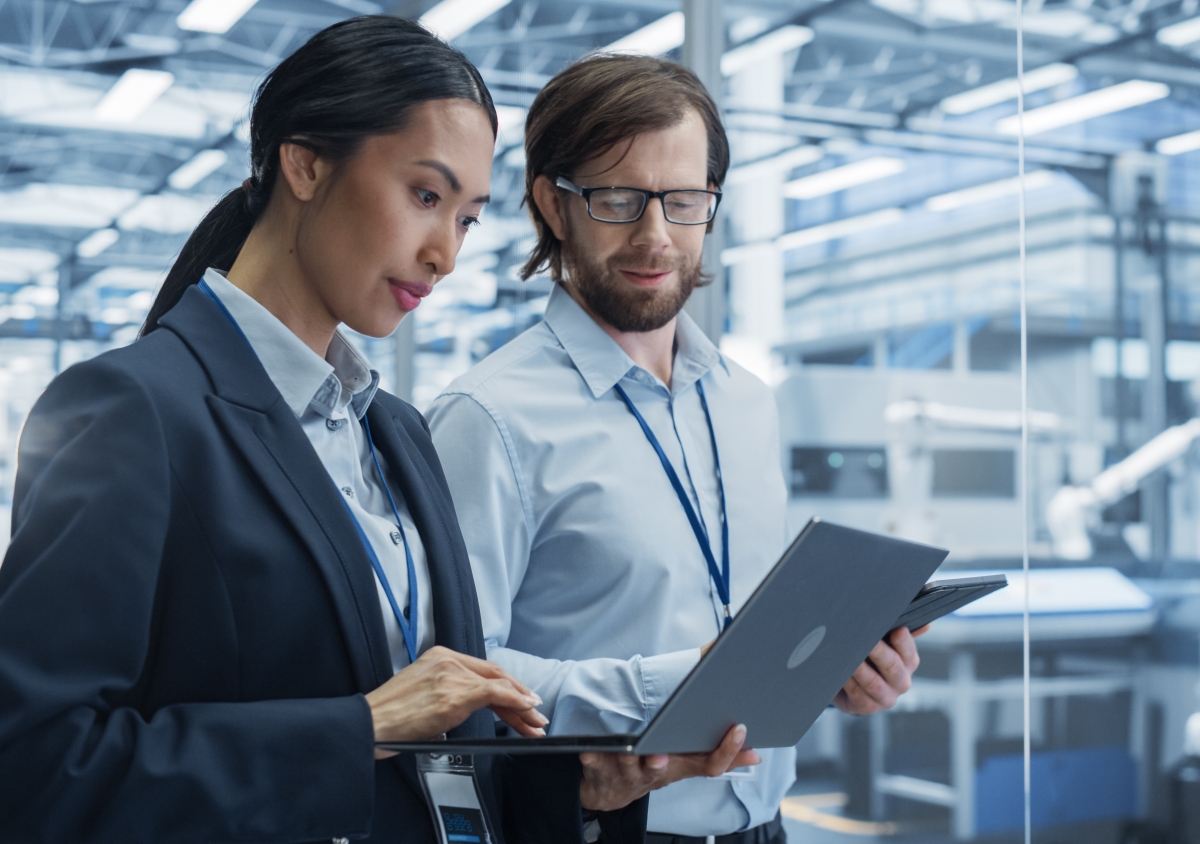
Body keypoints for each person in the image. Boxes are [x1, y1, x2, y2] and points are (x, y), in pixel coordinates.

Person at [0, 19, 751, 844]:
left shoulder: (393, 431)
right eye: (425, 197)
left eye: (466, 219)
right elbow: (33, 769)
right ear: (306, 162)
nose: (444, 255)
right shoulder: (131, 410)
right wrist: (360, 727)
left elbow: (443, 761)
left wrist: (585, 791)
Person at [427, 54, 924, 844]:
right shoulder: (487, 418)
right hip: (601, 830)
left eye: (685, 201)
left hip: (766, 825)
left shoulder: (747, 403)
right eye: (620, 199)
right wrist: (675, 683)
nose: (656, 236)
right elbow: (447, 674)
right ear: (554, 207)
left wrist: (834, 674)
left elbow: (761, 627)